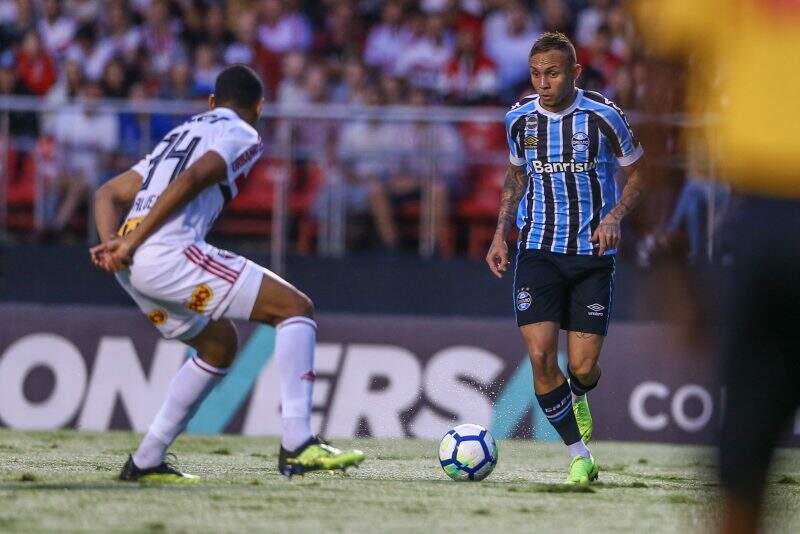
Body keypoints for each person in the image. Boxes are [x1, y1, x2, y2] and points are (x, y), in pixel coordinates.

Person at [90, 64, 365, 483]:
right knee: (295, 309)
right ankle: (298, 444)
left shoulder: (178, 135)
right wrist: (132, 242)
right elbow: (197, 177)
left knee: (218, 345)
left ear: (212, 102)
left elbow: (106, 192)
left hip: (133, 271)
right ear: (259, 107)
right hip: (166, 254)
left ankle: (146, 460)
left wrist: (114, 242)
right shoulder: (242, 132)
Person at [485, 32, 645, 484]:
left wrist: (614, 215)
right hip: (537, 251)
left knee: (582, 366)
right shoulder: (518, 118)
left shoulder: (603, 116)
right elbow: (516, 175)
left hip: (592, 256)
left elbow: (640, 174)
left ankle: (579, 391)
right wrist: (501, 235)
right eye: (536, 74)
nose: (543, 82)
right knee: (539, 357)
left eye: (552, 73)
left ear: (574, 72)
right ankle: (579, 454)